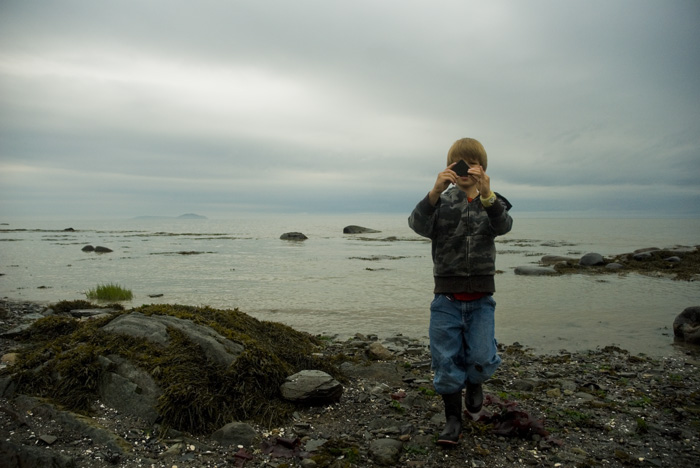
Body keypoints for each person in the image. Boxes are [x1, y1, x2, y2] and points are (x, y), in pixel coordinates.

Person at [408, 137, 513, 445]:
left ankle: (476, 381)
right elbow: (416, 224)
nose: (466, 168)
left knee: (481, 356)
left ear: (482, 168)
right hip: (446, 299)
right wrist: (435, 191)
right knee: (445, 361)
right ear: (449, 167)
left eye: (472, 163)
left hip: (481, 299)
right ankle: (453, 420)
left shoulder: (492, 201)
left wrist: (487, 195)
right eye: (459, 163)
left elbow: (504, 226)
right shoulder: (440, 202)